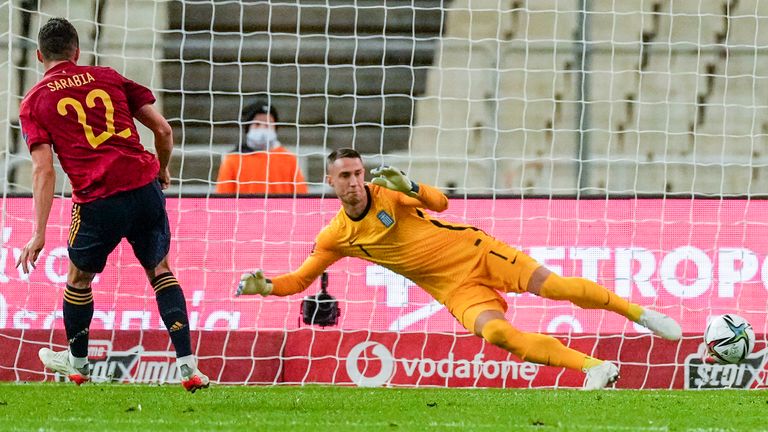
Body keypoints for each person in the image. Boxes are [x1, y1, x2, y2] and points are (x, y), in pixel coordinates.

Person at [236, 148, 683, 389]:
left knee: (556, 287)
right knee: (497, 334)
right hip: (452, 289)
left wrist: (411, 184)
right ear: (329, 182)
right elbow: (299, 280)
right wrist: (266, 286)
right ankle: (594, 368)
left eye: (358, 173)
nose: (355, 182)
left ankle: (640, 315)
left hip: (477, 251)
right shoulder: (336, 236)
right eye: (345, 176)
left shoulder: (388, 193)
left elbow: (442, 203)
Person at [16, 17, 208, 392]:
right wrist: (163, 170)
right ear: (77, 51)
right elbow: (164, 130)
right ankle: (188, 367)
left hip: (98, 200)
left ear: (39, 56)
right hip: (143, 188)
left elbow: (43, 171)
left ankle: (79, 364)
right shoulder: (108, 76)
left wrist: (38, 232)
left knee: (78, 278)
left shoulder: (35, 100)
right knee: (161, 271)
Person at [215, 99, 308, 195]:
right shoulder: (233, 159)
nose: (263, 129)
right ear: (247, 128)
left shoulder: (288, 159)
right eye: (257, 124)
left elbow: (301, 196)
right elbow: (222, 199)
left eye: (268, 124)